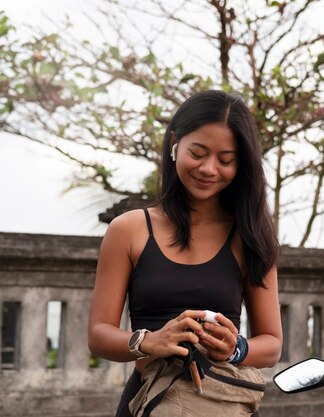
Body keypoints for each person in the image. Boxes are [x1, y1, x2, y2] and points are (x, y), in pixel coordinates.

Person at [88, 90, 282, 417]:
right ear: (175, 144)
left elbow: (272, 343)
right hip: (151, 401)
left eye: (226, 160)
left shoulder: (250, 236)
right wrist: (150, 341)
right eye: (198, 152)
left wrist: (237, 348)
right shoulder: (128, 229)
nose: (209, 169)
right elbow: (98, 335)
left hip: (224, 404)